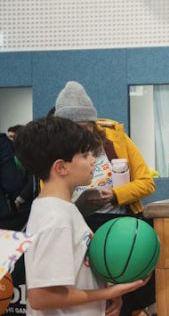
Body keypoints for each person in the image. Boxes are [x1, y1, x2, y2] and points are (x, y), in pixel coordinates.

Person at [14, 116, 147, 316]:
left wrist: (109, 292)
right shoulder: (56, 219)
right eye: (85, 155)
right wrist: (107, 292)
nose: (94, 160)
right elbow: (41, 297)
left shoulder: (62, 208)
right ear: (61, 167)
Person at [53, 81, 156, 315]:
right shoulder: (54, 151)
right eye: (73, 128)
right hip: (80, 228)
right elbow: (51, 194)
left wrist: (116, 195)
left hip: (119, 228)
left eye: (86, 127)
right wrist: (78, 205)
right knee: (92, 299)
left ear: (93, 124)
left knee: (129, 297)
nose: (81, 133)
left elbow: (147, 182)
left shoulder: (115, 140)